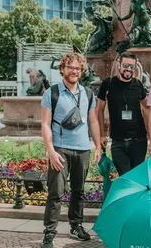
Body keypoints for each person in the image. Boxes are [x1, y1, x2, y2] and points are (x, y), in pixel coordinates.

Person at [40, 53, 102, 248]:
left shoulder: (88, 93)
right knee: (56, 193)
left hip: (83, 149)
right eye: (70, 67)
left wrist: (98, 146)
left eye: (77, 68)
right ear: (62, 69)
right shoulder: (52, 93)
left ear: (81, 71)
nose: (74, 71)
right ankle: (49, 233)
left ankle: (76, 226)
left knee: (78, 191)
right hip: (61, 150)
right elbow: (45, 123)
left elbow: (93, 121)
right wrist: (51, 150)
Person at [96, 52, 148, 177]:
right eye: (125, 65)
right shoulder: (108, 84)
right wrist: (102, 134)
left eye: (132, 66)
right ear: (119, 65)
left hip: (139, 140)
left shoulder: (138, 85)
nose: (128, 69)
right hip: (118, 141)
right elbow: (99, 110)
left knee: (137, 178)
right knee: (125, 178)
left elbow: (148, 108)